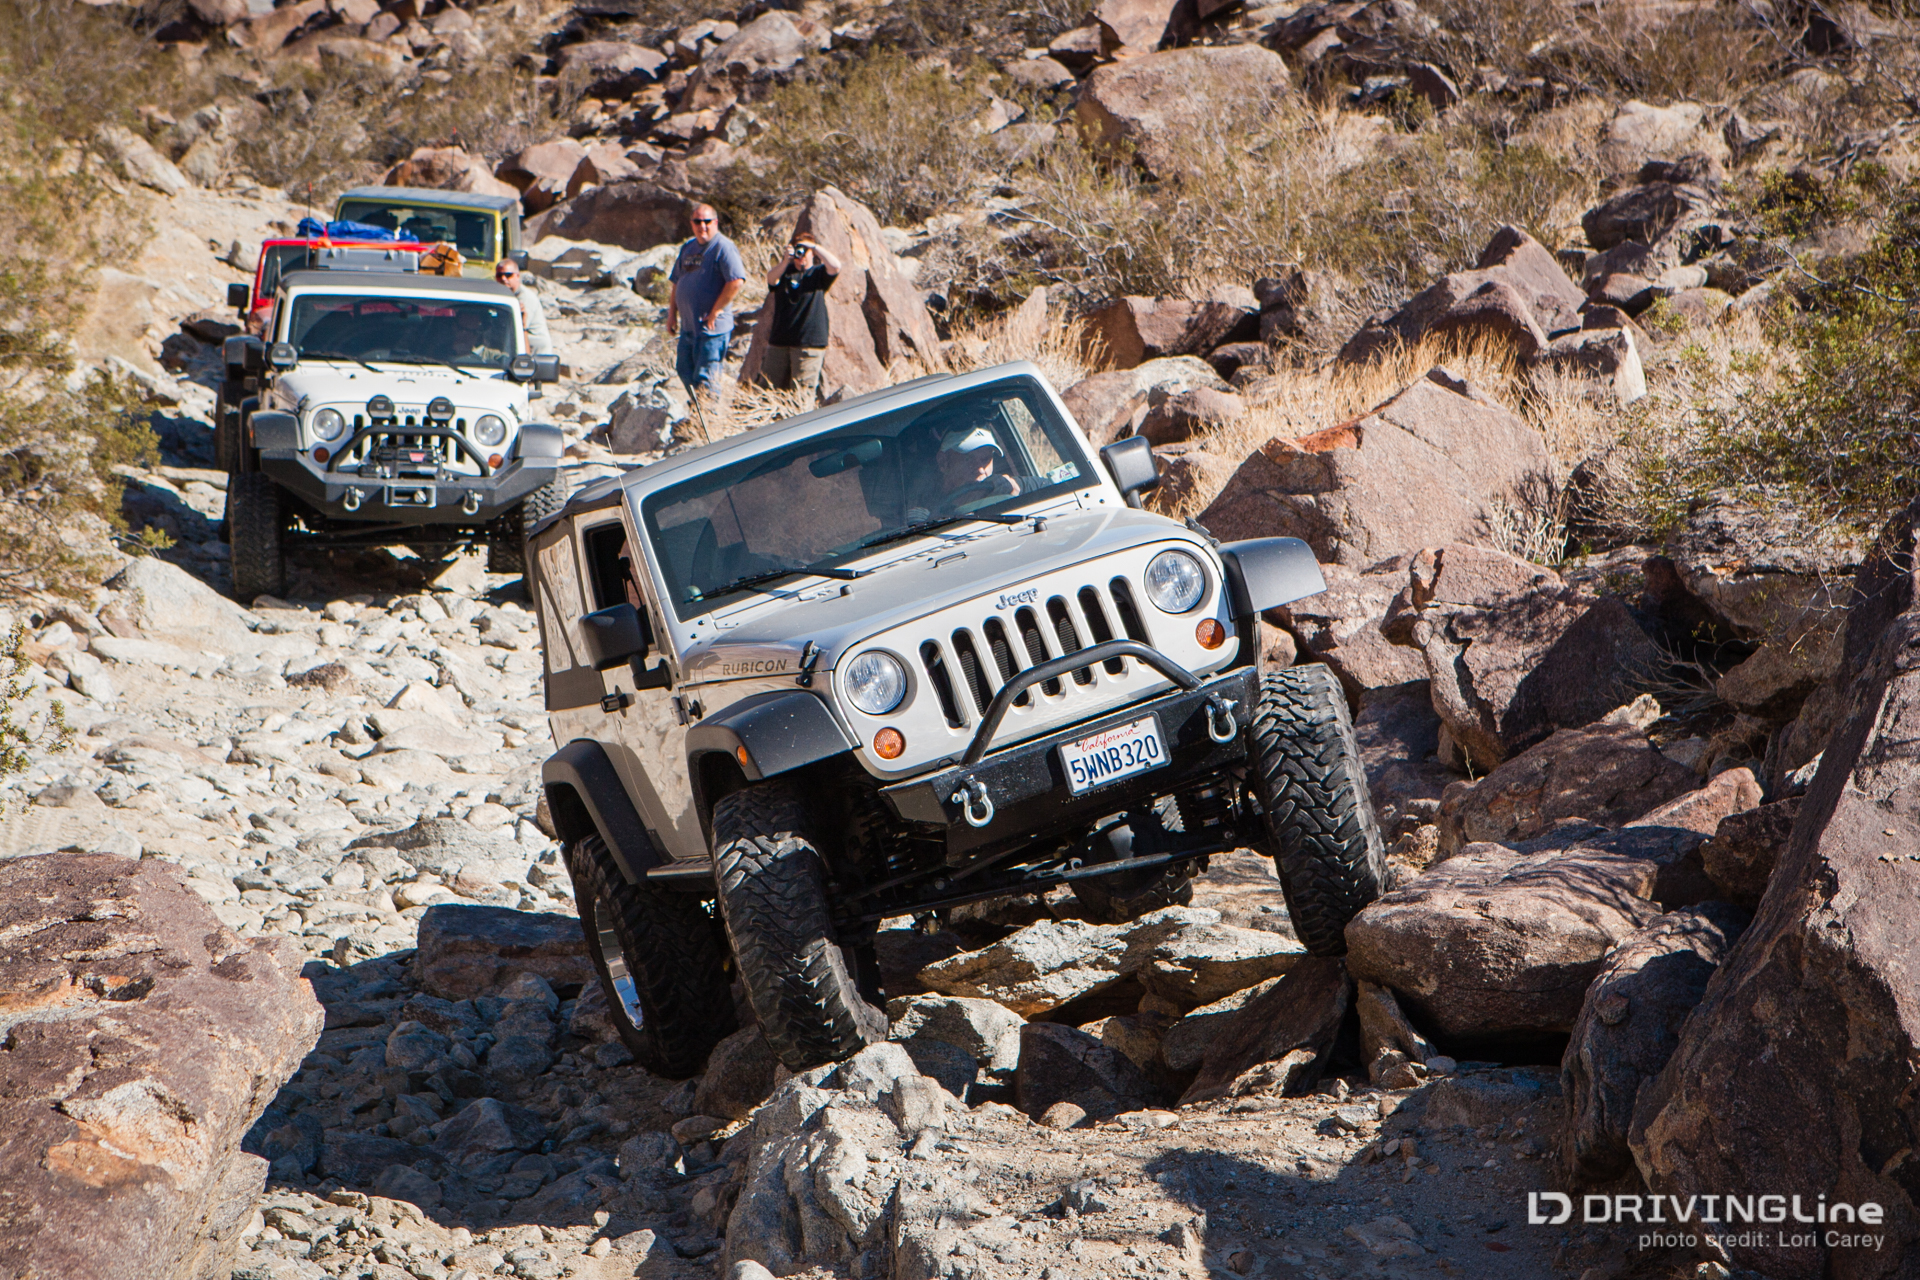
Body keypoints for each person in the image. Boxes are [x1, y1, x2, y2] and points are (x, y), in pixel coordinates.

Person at [667, 204, 745, 402]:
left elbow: (736, 281)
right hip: (689, 326)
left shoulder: (723, 247)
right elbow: (677, 282)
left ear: (715, 223)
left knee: (706, 377)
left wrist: (716, 310)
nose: (702, 226)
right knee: (684, 370)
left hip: (711, 329)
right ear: (692, 224)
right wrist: (671, 315)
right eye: (697, 221)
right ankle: (698, 410)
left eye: (707, 221)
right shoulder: (688, 247)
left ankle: (707, 420)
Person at [758, 234, 840, 400]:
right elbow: (771, 280)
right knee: (767, 391)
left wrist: (814, 247)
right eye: (798, 250)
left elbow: (835, 266)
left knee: (801, 395)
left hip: (808, 342)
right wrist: (785, 261)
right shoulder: (784, 273)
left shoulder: (817, 274)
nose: (801, 254)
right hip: (779, 342)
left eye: (805, 250)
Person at [907, 426, 1023, 520]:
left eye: (985, 459)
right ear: (944, 462)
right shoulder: (923, 509)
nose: (980, 470)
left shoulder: (1005, 488)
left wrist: (1015, 500)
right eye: (968, 460)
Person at [494, 258, 553, 356]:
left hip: (536, 354)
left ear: (517, 276)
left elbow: (518, 329)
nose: (503, 278)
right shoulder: (504, 295)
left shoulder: (524, 298)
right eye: (499, 275)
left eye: (508, 275)